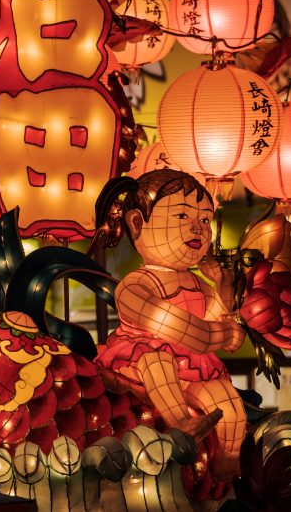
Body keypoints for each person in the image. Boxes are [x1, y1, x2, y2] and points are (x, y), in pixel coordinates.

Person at [97, 169, 246, 478]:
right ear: (137, 223)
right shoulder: (136, 285)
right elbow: (196, 333)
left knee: (229, 403)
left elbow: (223, 331)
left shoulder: (199, 284)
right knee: (157, 361)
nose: (197, 228)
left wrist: (223, 296)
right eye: (181, 215)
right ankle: (181, 424)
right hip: (139, 364)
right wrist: (225, 332)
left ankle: (229, 467)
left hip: (190, 368)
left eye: (205, 220)